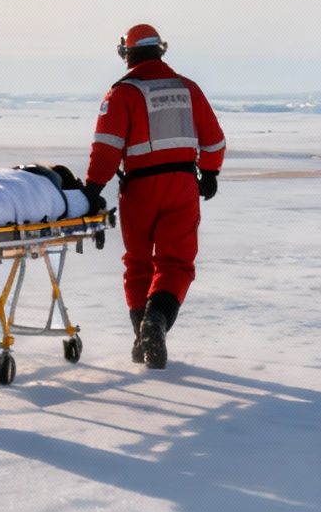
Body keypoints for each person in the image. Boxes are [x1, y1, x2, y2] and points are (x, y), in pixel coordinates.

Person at [83, 23, 225, 370]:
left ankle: (140, 335)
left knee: (138, 263)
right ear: (160, 50)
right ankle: (156, 322)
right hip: (181, 185)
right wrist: (209, 172)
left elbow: (106, 150)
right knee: (176, 263)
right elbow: (214, 140)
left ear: (127, 54)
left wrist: (91, 189)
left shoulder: (122, 94)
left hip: (140, 189)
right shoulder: (188, 89)